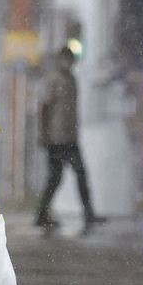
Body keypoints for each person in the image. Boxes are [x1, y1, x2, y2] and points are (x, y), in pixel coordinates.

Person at [34, 46, 99, 234]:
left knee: (72, 175)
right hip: (56, 138)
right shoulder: (54, 80)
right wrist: (44, 134)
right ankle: (42, 214)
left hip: (69, 137)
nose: (67, 63)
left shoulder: (72, 80)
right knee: (59, 176)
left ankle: (45, 213)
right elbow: (45, 107)